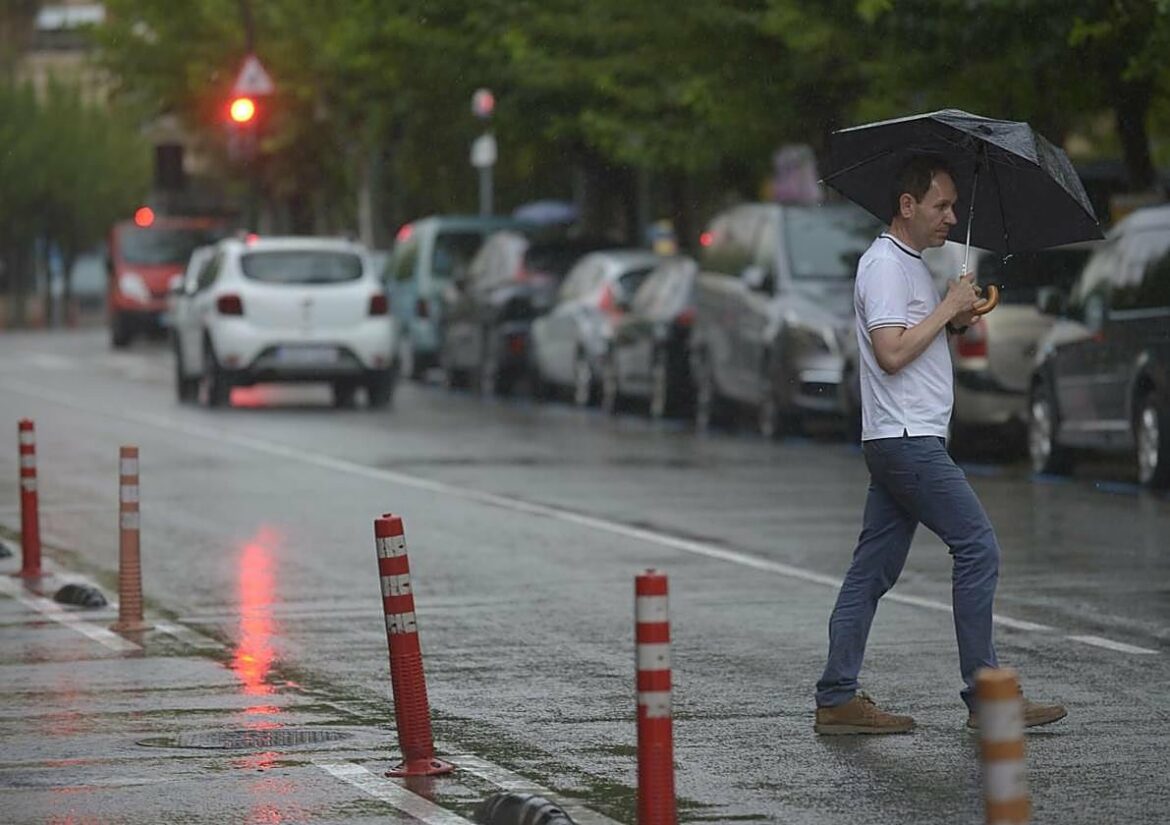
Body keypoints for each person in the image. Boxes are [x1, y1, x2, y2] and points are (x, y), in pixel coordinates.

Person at [813, 155, 1067, 734]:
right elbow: (891, 354)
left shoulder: (912, 266)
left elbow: (911, 338)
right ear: (908, 205)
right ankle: (986, 696)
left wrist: (954, 318)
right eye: (941, 205)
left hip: (904, 436)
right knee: (978, 547)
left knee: (871, 571)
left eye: (953, 206)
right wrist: (947, 308)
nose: (951, 217)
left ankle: (836, 697)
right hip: (907, 439)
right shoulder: (882, 265)